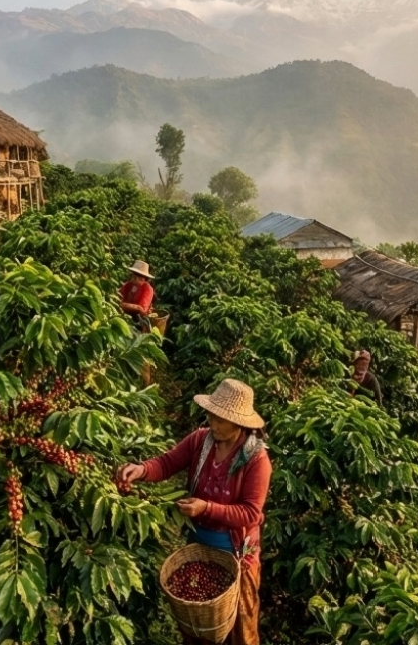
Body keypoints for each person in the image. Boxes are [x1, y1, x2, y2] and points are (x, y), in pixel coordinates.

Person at [117, 379, 270, 645]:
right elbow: (167, 463)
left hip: (237, 553)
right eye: (212, 416)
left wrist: (205, 507)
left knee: (240, 629)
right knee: (198, 624)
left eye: (221, 420)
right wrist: (141, 470)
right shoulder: (201, 440)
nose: (214, 424)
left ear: (239, 423)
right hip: (199, 545)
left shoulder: (256, 460)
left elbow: (250, 514)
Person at [118, 260, 156, 333]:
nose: (134, 278)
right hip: (125, 314)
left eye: (137, 277)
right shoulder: (129, 284)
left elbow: (142, 310)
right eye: (133, 276)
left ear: (143, 279)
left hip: (139, 319)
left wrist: (122, 305)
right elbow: (119, 295)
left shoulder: (147, 289)